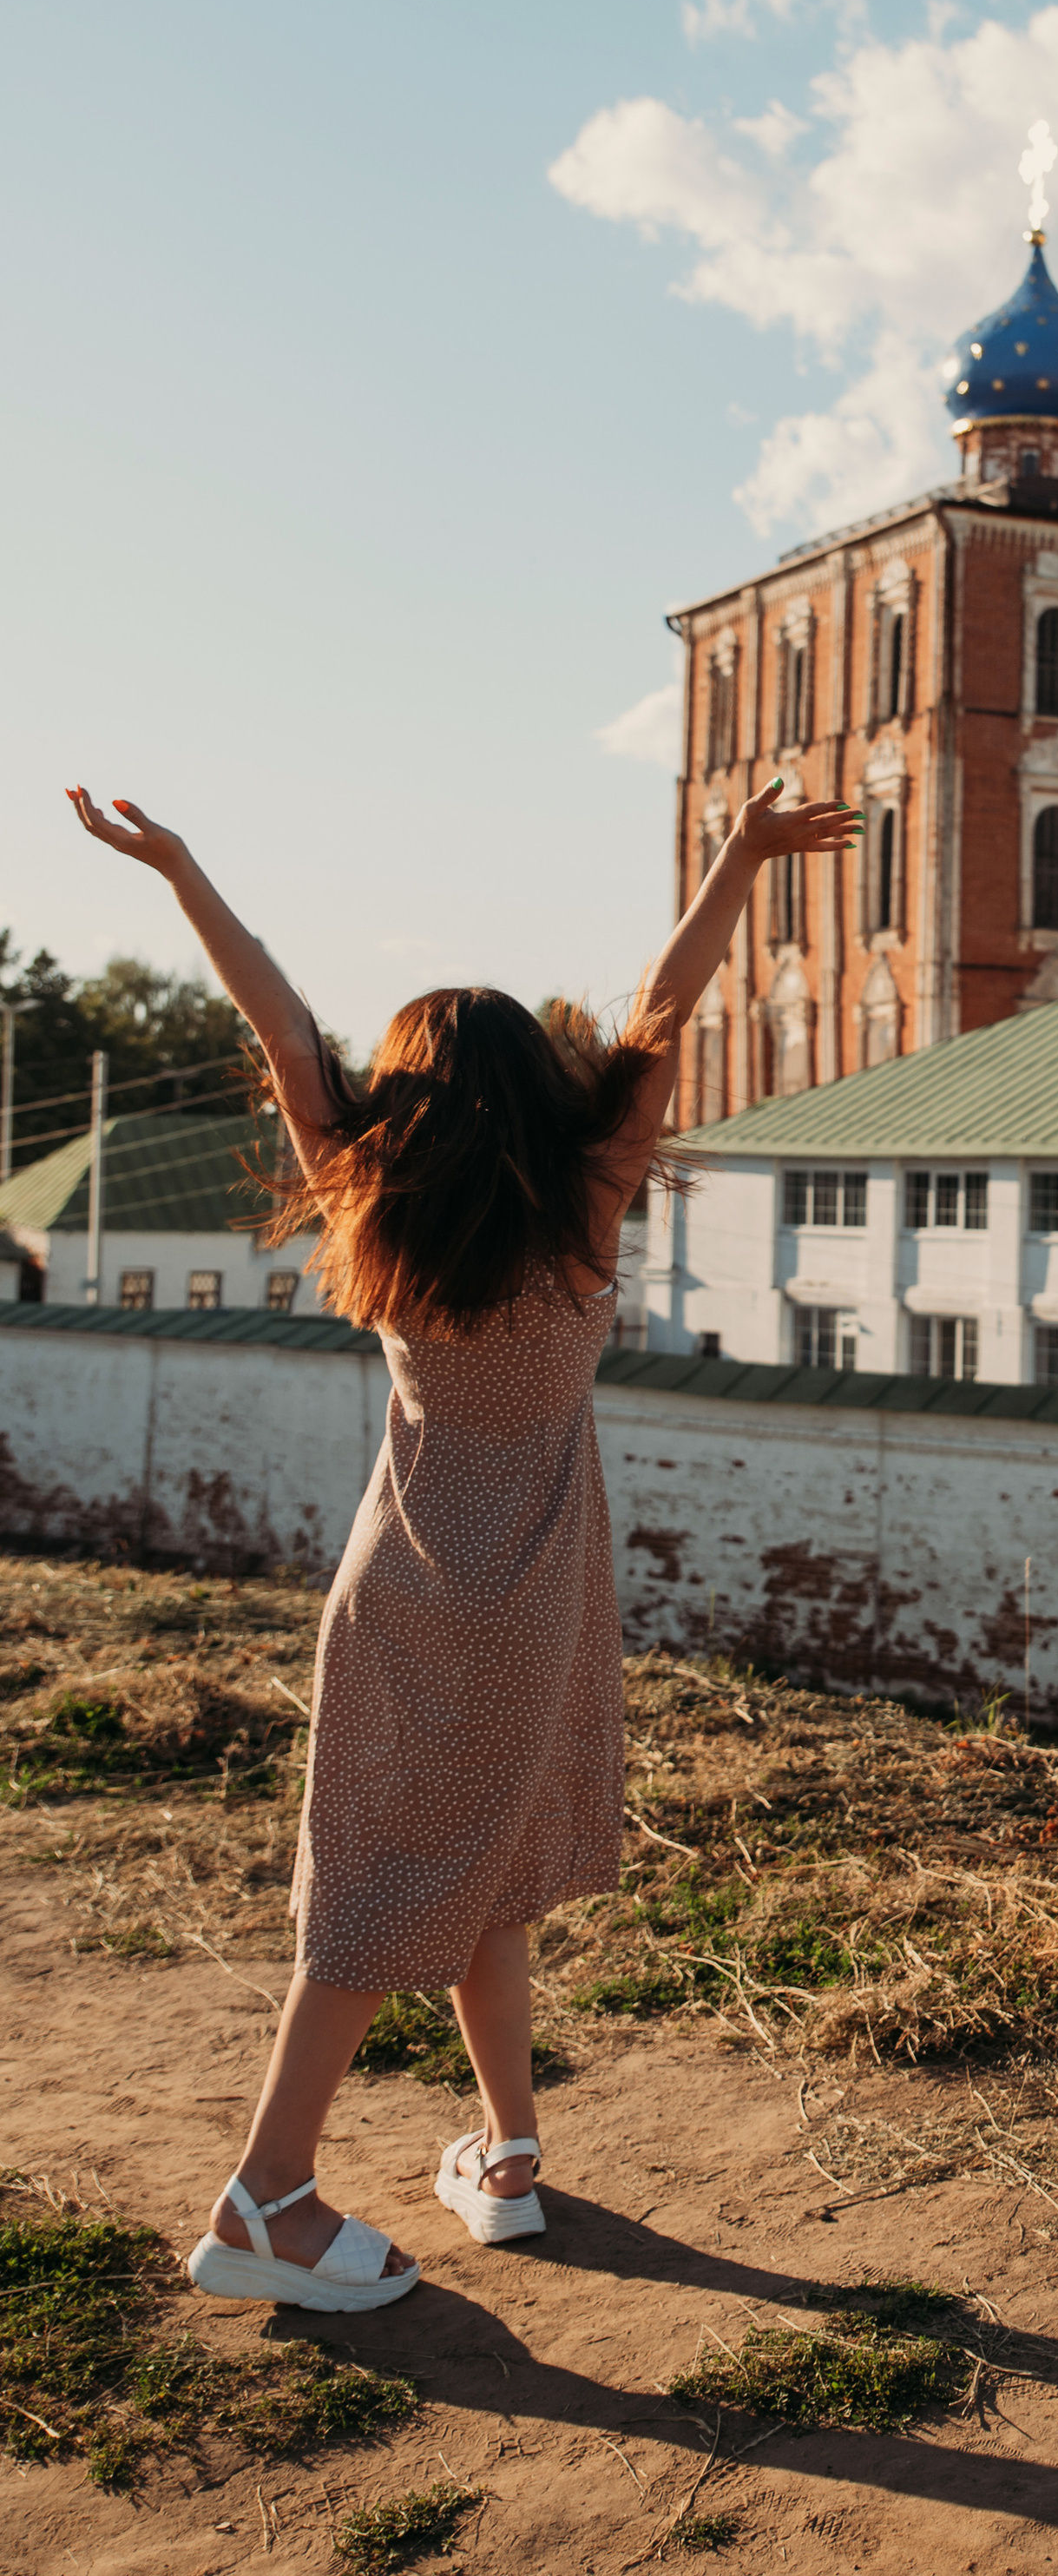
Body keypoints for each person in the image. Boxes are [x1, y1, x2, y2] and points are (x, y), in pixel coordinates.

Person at [65, 774, 856, 2310]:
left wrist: (183, 875)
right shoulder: (588, 1206)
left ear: (411, 1103)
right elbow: (663, 1011)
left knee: (438, 1870)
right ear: (534, 1092)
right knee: (435, 1873)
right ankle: (267, 2194)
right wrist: (745, 855)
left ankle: (504, 2152)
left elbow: (285, 1031)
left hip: (408, 1583)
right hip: (539, 1597)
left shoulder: (376, 1203)